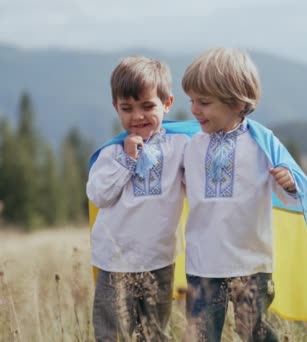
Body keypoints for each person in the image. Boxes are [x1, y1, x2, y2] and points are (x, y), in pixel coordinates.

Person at [181, 47, 300, 342]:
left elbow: (293, 198)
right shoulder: (191, 146)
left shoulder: (261, 144)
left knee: (253, 331)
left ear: (235, 102)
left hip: (250, 263)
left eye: (204, 102)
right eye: (192, 101)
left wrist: (288, 183)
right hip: (202, 262)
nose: (194, 110)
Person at [87, 56, 188, 341]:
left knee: (154, 333)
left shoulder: (180, 147)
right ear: (115, 107)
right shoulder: (111, 154)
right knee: (112, 334)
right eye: (127, 108)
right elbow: (99, 195)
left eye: (148, 106)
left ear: (167, 104)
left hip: (159, 260)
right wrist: (128, 161)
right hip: (114, 262)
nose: (137, 116)